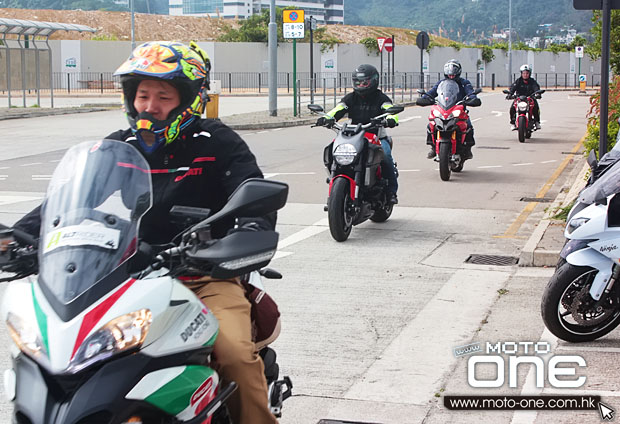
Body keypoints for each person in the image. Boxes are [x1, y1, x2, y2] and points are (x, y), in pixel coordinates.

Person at [14, 41, 278, 424]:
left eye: (162, 96)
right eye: (142, 95)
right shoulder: (119, 146)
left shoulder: (217, 142)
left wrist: (248, 232)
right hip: (130, 278)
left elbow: (252, 193)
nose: (149, 106)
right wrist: (18, 237)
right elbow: (70, 202)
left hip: (203, 275)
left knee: (234, 352)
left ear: (188, 100)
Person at [316, 64, 400, 204]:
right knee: (333, 149)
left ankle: (391, 191)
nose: (360, 85)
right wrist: (327, 118)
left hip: (376, 136)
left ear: (373, 81)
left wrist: (391, 119)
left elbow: (390, 109)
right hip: (354, 135)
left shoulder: (380, 98)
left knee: (385, 156)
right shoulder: (350, 98)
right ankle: (334, 176)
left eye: (364, 82)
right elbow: (338, 110)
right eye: (357, 82)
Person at [422, 59, 480, 160]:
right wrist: (425, 98)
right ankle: (433, 146)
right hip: (444, 109)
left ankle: (467, 148)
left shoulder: (464, 83)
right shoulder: (441, 83)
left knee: (469, 126)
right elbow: (432, 92)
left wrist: (472, 98)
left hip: (458, 110)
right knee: (430, 124)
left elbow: (470, 92)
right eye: (449, 74)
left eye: (453, 74)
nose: (451, 76)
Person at [507, 64, 542, 131]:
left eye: (527, 73)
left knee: (536, 107)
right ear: (521, 73)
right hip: (519, 98)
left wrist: (538, 93)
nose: (525, 75)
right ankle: (513, 122)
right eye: (524, 73)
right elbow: (513, 88)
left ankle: (537, 122)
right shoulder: (518, 81)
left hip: (530, 98)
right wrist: (510, 94)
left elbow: (536, 87)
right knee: (512, 108)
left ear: (529, 74)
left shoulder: (532, 81)